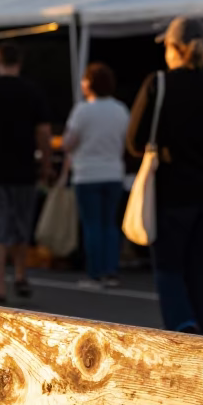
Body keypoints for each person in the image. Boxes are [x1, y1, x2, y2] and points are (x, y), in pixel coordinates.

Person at [127, 16, 203, 334]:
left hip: (171, 192)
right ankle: (199, 337)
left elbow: (134, 141)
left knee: (169, 269)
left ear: (173, 48)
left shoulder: (159, 84)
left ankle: (184, 326)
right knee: (200, 273)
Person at [0, 43, 52, 304]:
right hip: (24, 168)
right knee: (21, 225)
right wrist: (46, 163)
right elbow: (44, 132)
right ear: (20, 62)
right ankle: (20, 273)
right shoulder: (32, 91)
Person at [62, 62, 129, 288]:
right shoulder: (120, 109)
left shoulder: (82, 110)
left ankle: (94, 273)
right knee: (110, 223)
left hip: (87, 172)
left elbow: (68, 142)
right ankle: (110, 271)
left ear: (89, 83)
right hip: (113, 172)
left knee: (91, 225)